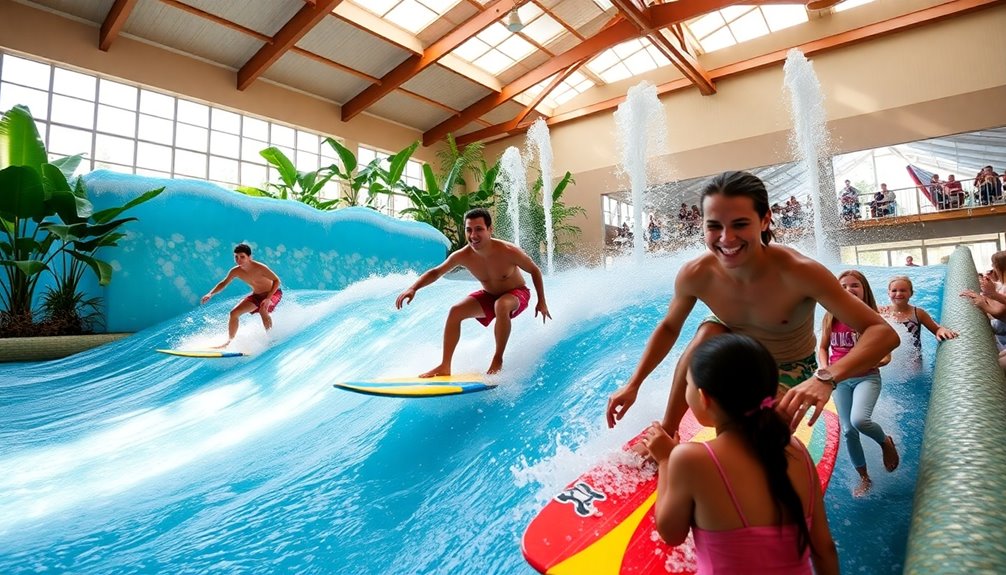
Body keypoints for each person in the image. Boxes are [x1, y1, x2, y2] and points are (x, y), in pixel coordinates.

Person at [606, 171, 899, 437]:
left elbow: (883, 333)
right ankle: (670, 428)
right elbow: (670, 327)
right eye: (714, 226)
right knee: (707, 333)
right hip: (736, 359)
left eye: (740, 224)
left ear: (765, 220)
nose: (726, 238)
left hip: (788, 366)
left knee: (759, 439)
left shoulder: (800, 272)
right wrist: (634, 384)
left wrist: (826, 378)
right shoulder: (697, 274)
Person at [641, 334, 839, 575]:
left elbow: (671, 534)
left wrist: (665, 461)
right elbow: (824, 548)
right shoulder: (797, 451)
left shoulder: (688, 458)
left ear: (704, 398)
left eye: (688, 384)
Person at [395, 208, 551, 376]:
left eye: (479, 229)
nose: (473, 235)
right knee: (455, 311)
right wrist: (413, 288)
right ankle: (445, 366)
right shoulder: (463, 255)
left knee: (501, 304)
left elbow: (534, 270)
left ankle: (497, 359)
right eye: (469, 230)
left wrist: (541, 301)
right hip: (489, 296)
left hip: (517, 293)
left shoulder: (508, 251)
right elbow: (436, 272)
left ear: (490, 230)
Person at [817, 270, 899, 497]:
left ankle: (885, 442)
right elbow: (823, 347)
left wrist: (867, 360)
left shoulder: (870, 319)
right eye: (842, 286)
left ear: (864, 290)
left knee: (860, 420)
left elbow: (886, 355)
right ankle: (865, 478)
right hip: (839, 380)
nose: (849, 290)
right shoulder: (831, 315)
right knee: (848, 430)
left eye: (854, 285)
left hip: (866, 377)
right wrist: (825, 369)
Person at [201, 243, 282, 348]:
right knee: (234, 313)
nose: (239, 260)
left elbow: (276, 280)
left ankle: (272, 338)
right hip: (256, 295)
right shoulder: (235, 271)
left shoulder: (260, 268)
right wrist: (210, 293)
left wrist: (268, 298)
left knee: (263, 310)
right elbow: (224, 283)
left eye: (242, 257)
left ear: (249, 257)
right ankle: (229, 343)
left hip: (273, 293)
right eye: (236, 257)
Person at [881, 276, 958, 365]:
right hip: (890, 362)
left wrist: (942, 330)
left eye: (903, 290)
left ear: (911, 293)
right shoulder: (882, 312)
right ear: (888, 293)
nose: (898, 294)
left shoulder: (918, 313)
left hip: (913, 364)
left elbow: (936, 328)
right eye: (894, 290)